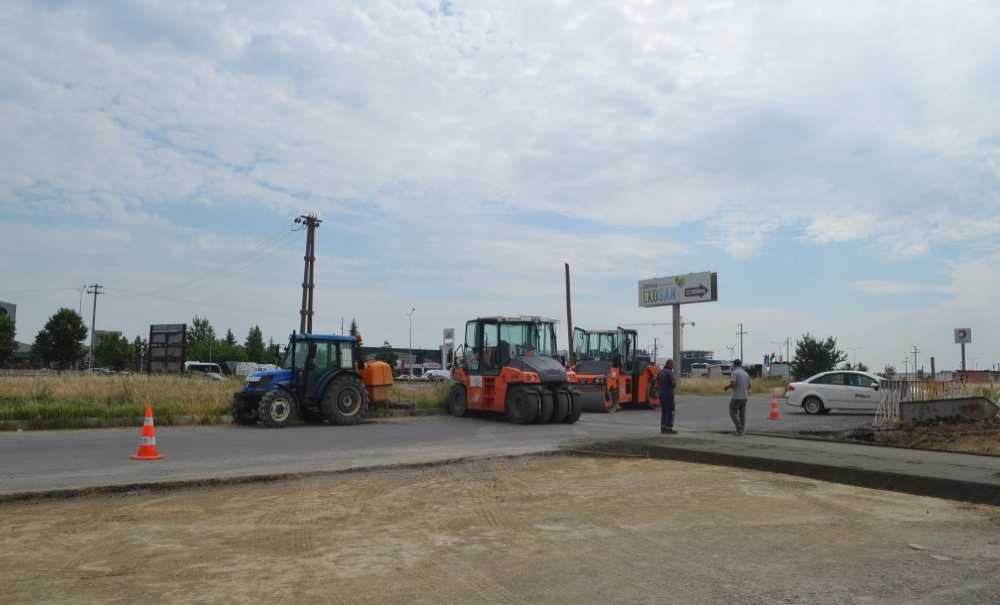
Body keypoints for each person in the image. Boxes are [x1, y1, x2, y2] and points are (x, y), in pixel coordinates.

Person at [724, 359, 752, 435]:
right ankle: (742, 430)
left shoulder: (734, 372)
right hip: (745, 397)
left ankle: (739, 429)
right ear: (740, 365)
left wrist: (727, 387)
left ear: (734, 365)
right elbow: (749, 386)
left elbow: (733, 383)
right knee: (742, 415)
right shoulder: (746, 373)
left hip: (736, 397)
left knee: (732, 412)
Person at [657, 359, 678, 434]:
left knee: (664, 411)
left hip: (661, 395)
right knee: (670, 411)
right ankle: (669, 428)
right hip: (668, 395)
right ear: (669, 364)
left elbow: (657, 382)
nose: (673, 366)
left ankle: (663, 428)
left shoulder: (661, 372)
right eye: (672, 365)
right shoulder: (669, 372)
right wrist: (674, 385)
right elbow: (673, 384)